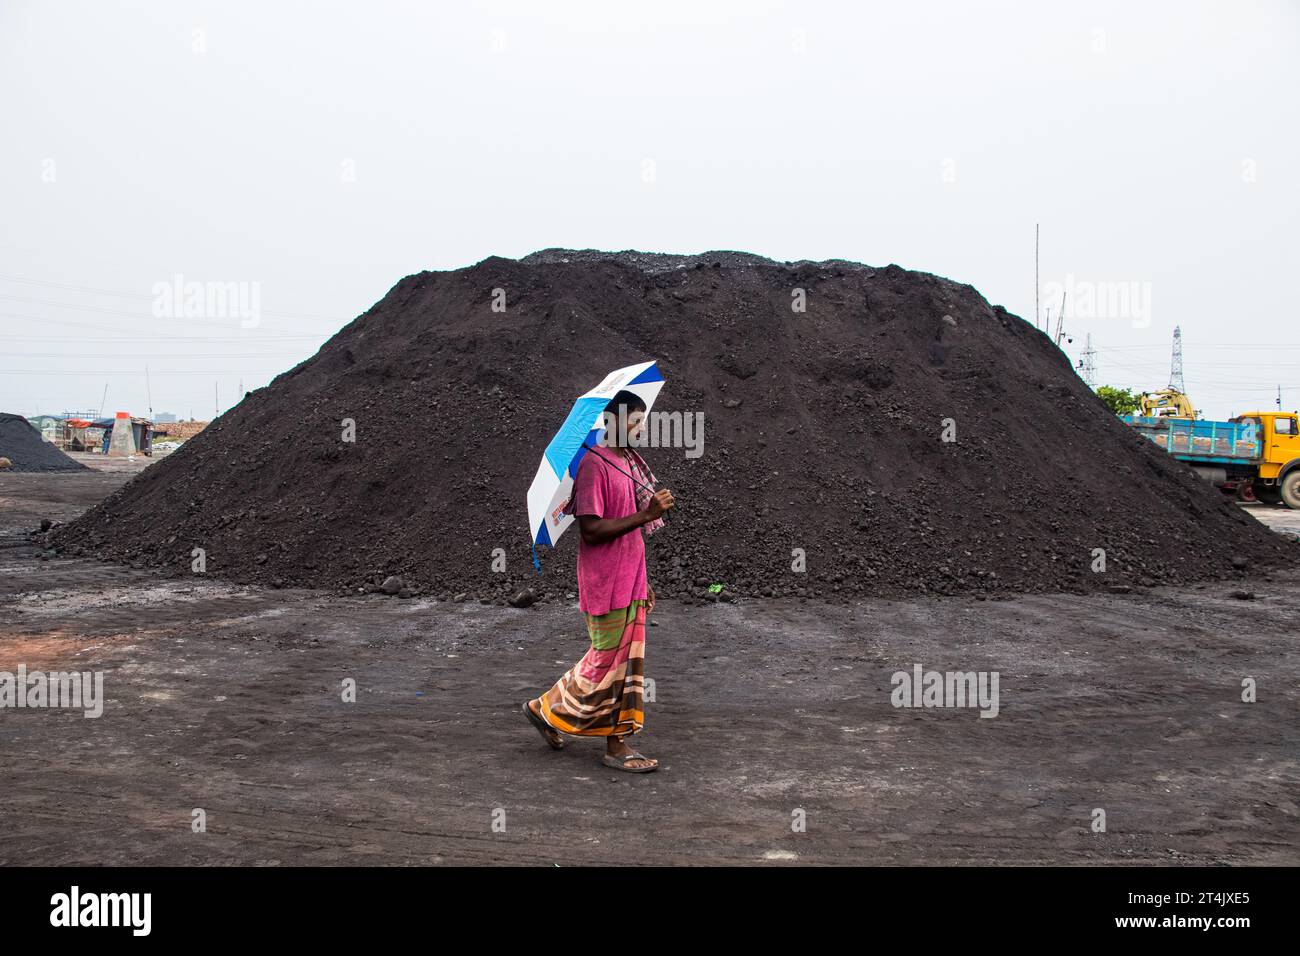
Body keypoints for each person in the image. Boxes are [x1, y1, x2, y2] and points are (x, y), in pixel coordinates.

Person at [523, 390, 675, 772]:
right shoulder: (594, 465)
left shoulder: (628, 462)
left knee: (624, 665)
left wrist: (644, 581)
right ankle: (558, 715)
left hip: (631, 576)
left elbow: (629, 532)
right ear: (611, 422)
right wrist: (646, 514)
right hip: (606, 580)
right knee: (607, 662)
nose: (640, 429)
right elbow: (591, 530)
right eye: (633, 421)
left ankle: (611, 740)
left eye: (642, 422)